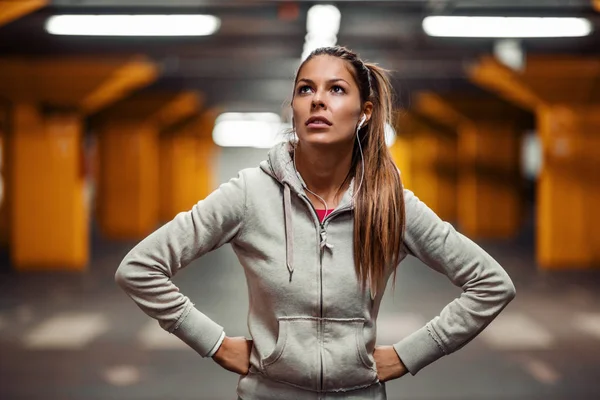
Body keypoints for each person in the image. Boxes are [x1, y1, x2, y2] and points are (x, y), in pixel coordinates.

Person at [115, 46, 516, 399]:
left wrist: (408, 356)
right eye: (306, 89)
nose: (317, 101)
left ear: (365, 113)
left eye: (336, 89)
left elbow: (491, 284)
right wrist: (215, 344)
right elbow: (139, 268)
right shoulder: (250, 193)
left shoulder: (391, 205)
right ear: (293, 107)